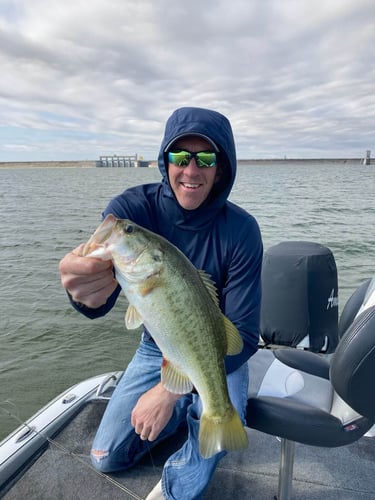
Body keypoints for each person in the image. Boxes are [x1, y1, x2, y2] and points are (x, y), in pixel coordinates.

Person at [59, 107, 263, 500]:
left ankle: (181, 458)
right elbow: (99, 299)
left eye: (205, 158)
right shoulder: (131, 211)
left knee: (213, 438)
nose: (191, 169)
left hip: (216, 354)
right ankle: (182, 414)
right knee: (105, 456)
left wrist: (169, 391)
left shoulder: (242, 231)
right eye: (179, 156)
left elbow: (245, 337)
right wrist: (81, 293)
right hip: (159, 344)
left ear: (220, 168)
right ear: (164, 160)